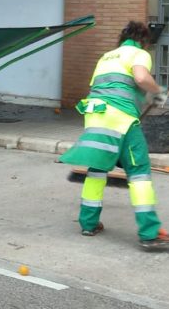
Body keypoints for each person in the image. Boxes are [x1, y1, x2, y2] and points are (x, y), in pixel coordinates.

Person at [60, 21, 169, 251]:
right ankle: (149, 233)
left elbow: (114, 88)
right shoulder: (138, 53)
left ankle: (88, 223)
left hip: (95, 116)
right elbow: (140, 78)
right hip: (121, 120)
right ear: (143, 40)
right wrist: (159, 91)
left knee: (97, 169)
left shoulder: (107, 57)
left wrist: (147, 97)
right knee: (139, 173)